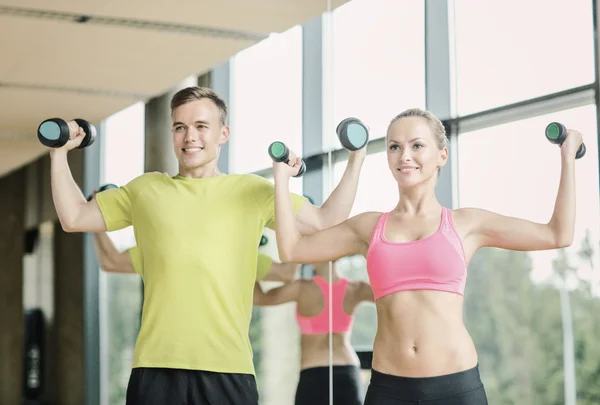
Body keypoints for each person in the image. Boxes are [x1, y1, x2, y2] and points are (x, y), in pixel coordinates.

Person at [47, 86, 366, 405]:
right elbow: (74, 217)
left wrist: (357, 157)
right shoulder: (146, 190)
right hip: (156, 367)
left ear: (223, 133)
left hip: (228, 370)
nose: (190, 137)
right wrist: (59, 153)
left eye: (201, 126)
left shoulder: (252, 192)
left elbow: (326, 221)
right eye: (180, 127)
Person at [271, 108, 582, 405]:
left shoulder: (466, 224)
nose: (404, 155)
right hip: (389, 389)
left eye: (417, 145)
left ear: (441, 155)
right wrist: (281, 181)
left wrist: (567, 158)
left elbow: (558, 234)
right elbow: (293, 250)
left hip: (456, 387)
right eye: (394, 146)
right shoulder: (369, 227)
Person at [253, 259, 373, 405]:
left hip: (315, 371)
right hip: (348, 371)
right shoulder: (356, 288)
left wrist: (249, 261)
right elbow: (391, 296)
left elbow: (259, 297)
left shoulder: (302, 288)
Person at [92, 227, 300, 282]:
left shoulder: (239, 257)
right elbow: (286, 273)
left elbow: (110, 262)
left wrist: (98, 218)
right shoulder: (167, 251)